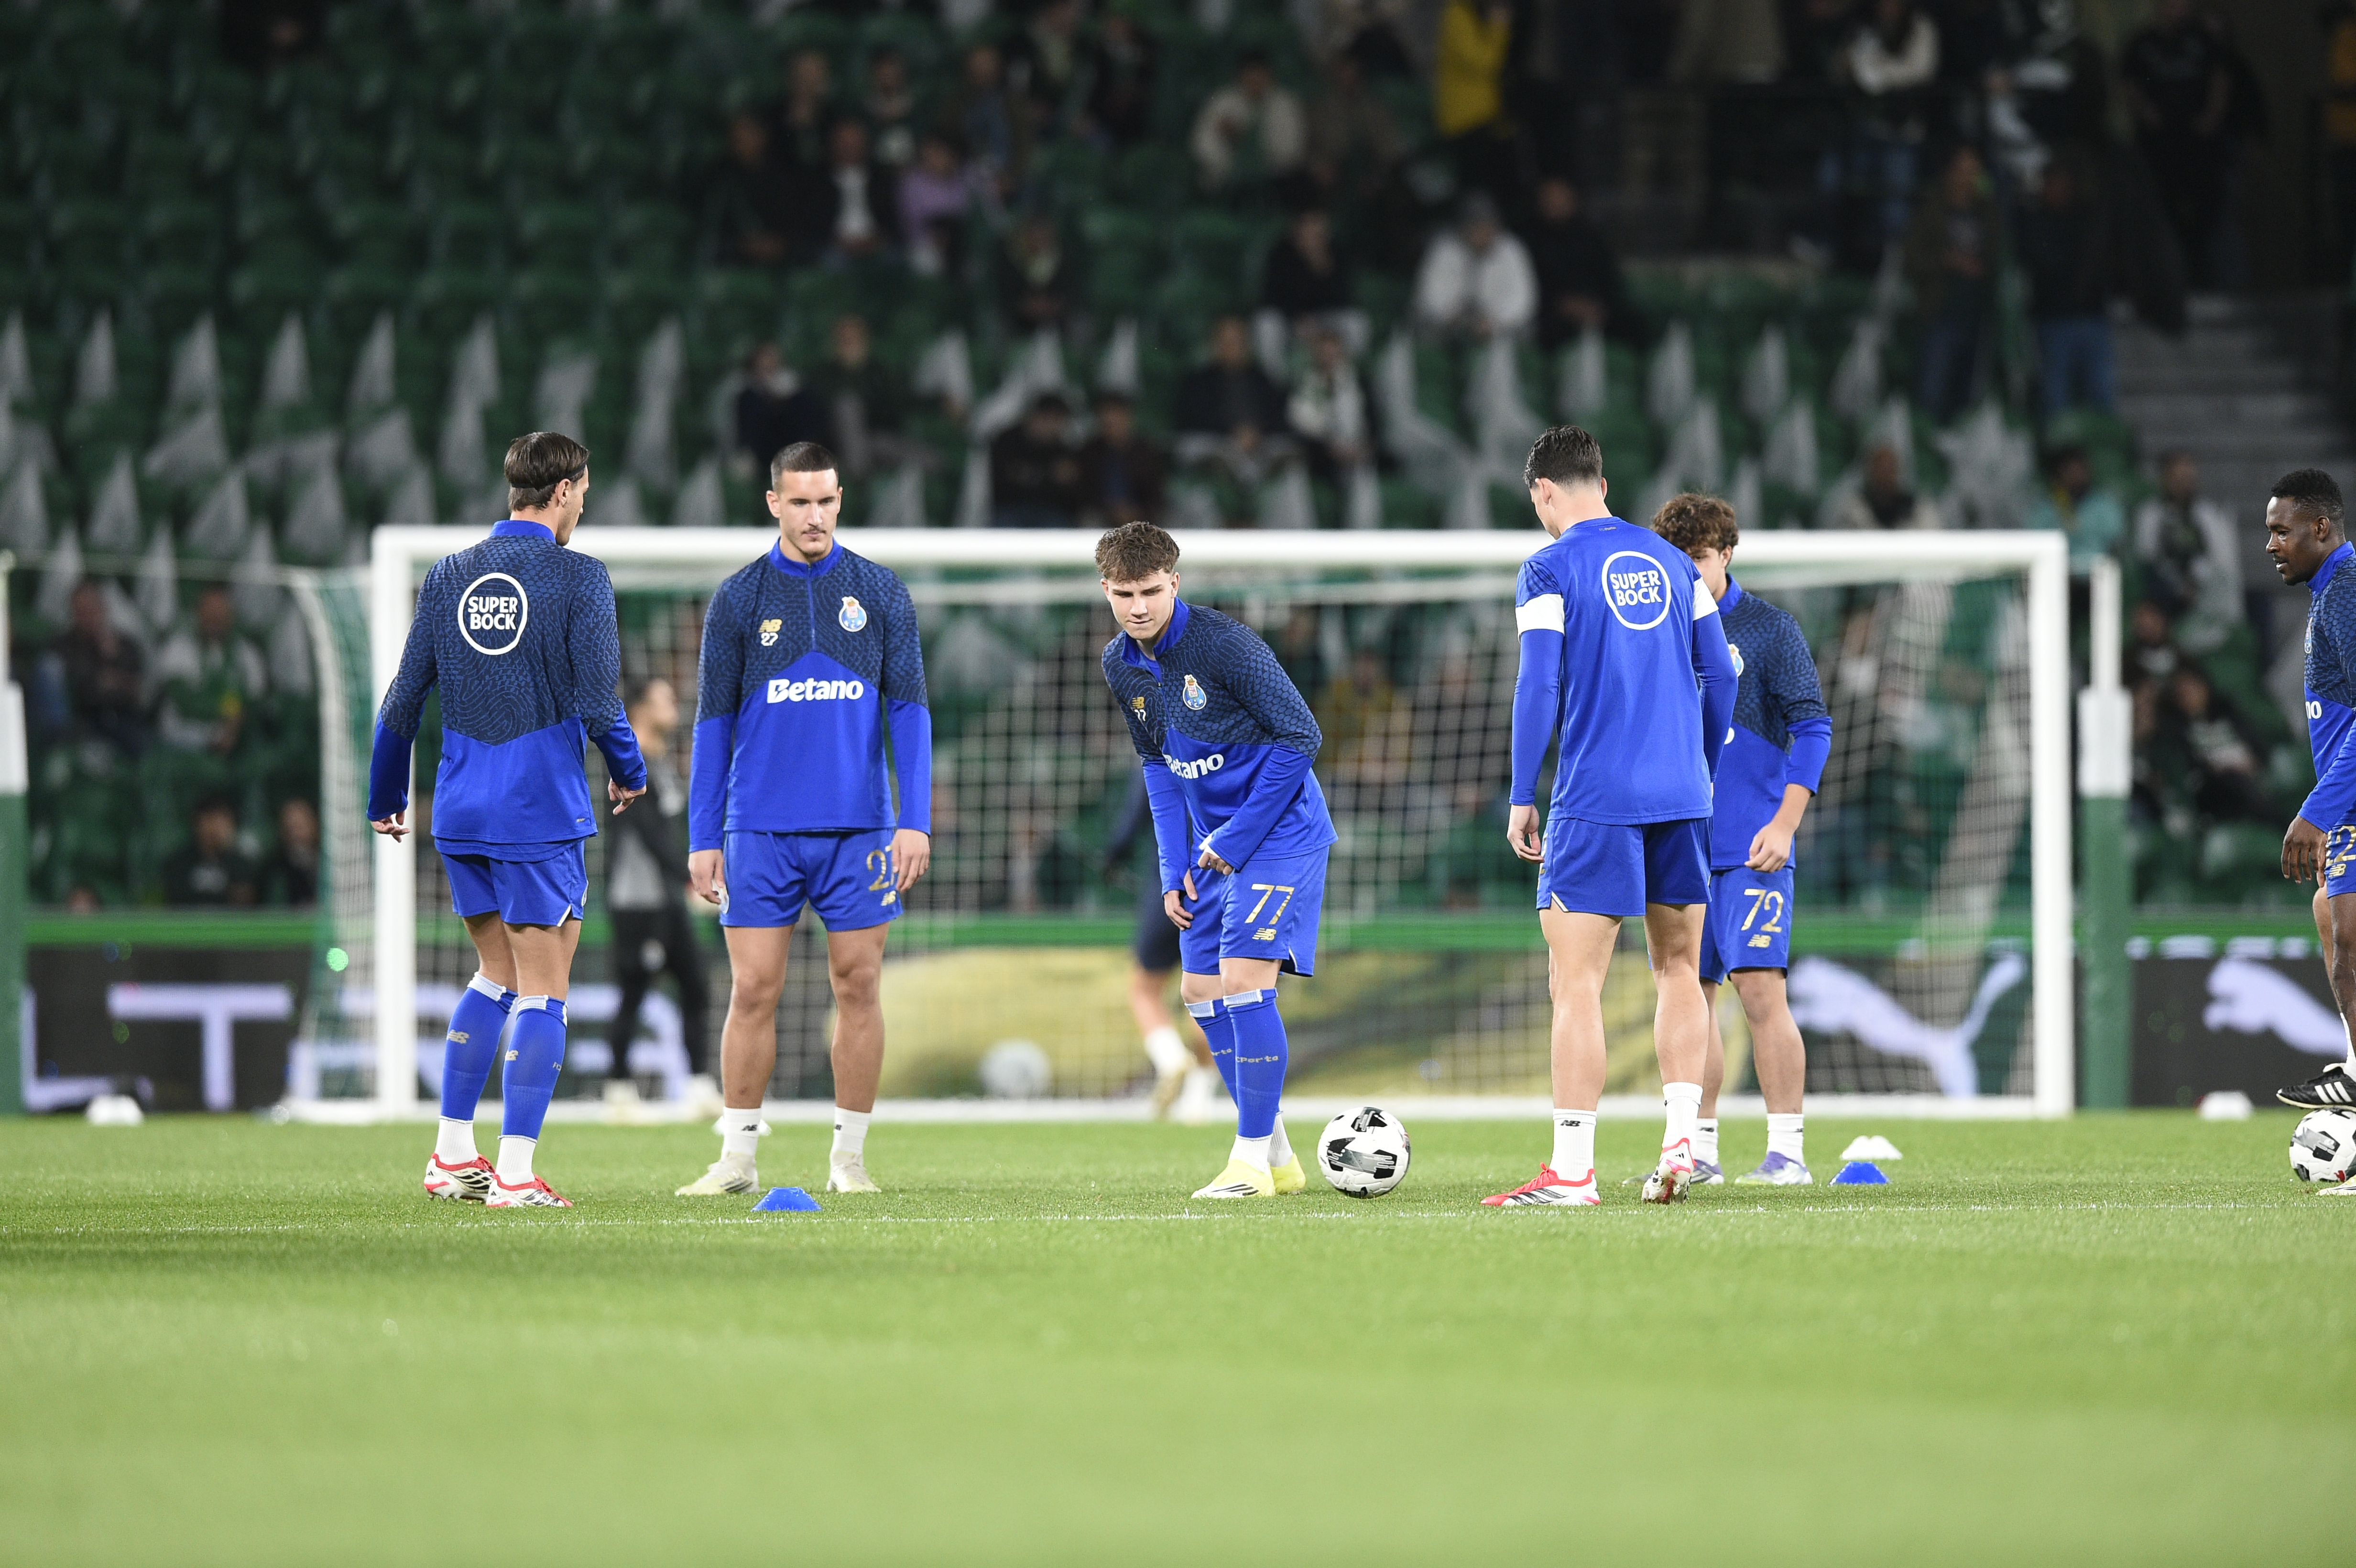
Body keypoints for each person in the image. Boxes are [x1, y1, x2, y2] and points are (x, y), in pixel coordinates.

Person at [371, 431, 649, 1209]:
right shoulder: (579, 577)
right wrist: (631, 770)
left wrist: (384, 794)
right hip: (536, 808)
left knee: (495, 974)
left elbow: (403, 699)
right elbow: (596, 700)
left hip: (461, 807)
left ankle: (452, 1155)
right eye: (582, 492)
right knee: (544, 989)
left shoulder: (449, 574)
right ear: (561, 492)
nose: (583, 505)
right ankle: (518, 1174)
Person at [1485, 426, 1736, 1207]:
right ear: (1601, 483)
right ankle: (1682, 1143)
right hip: (1681, 796)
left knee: (1577, 982)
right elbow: (1721, 675)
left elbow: (1538, 686)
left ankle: (1572, 1170)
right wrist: (1700, 768)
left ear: (1544, 492)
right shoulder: (1674, 562)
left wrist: (1521, 792)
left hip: (1597, 798)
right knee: (1680, 969)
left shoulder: (1549, 567)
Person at [674, 442, 933, 1198]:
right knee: (754, 989)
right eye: (799, 502)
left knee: (859, 984)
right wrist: (703, 836)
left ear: (840, 500)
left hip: (860, 831)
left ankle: (849, 1160)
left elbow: (910, 713)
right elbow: (712, 725)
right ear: (774, 504)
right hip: (759, 829)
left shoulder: (879, 592)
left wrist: (914, 820)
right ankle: (737, 1159)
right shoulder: (739, 598)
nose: (814, 515)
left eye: (825, 500)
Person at [1096, 520, 1335, 1198]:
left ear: (1174, 583)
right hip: (1210, 847)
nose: (1137, 607)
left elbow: (1302, 736)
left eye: (1150, 591)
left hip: (1279, 834)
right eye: (1123, 594)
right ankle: (1280, 1159)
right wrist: (1173, 868)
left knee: (1242, 978)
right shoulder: (1119, 663)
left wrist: (1233, 840)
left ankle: (1248, 1161)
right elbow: (1158, 766)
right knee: (1198, 991)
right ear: (1106, 591)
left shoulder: (1225, 644)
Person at [1650, 493, 1831, 1186]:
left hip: (1753, 846)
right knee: (1691, 1000)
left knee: (1760, 992)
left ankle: (1787, 1153)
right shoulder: (1656, 630)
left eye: (1698, 558)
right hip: (1681, 843)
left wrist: (1785, 823)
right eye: (1676, 560)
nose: (1688, 572)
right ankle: (1700, 1151)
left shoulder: (1768, 629)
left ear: (1726, 554)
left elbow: (1812, 726)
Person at [2266, 468, 2356, 1149]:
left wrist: (2320, 809)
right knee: (2332, 915)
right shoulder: (2332, 592)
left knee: (2345, 929)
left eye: (2281, 530)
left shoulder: (2346, 591)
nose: (2271, 544)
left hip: (2347, 799)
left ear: (2319, 528)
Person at [602, 676, 714, 1114]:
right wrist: (689, 877)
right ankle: (618, 1091)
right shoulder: (625, 763)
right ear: (642, 710)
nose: (674, 706)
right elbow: (646, 833)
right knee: (634, 991)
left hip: (666, 896)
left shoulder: (661, 764)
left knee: (695, 984)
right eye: (664, 699)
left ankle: (700, 1086)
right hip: (637, 900)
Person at [1104, 771, 1220, 1122]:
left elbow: (1135, 817)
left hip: (1168, 890)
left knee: (1145, 989)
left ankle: (1171, 1059)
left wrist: (1114, 856)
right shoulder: (1232, 757)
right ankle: (1199, 1098)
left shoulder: (1159, 759)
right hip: (1216, 885)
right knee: (1207, 996)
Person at [1904, 144, 2002, 424]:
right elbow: (1912, 259)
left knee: (1967, 398)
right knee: (1932, 392)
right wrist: (1947, 260)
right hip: (1940, 314)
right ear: (1949, 173)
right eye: (1962, 170)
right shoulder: (1931, 210)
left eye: (1973, 172)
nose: (1967, 178)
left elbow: (1997, 258)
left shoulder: (1988, 213)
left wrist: (1982, 266)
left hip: (1976, 317)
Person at [2018, 156, 2115, 417]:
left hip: (2091, 317)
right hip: (2054, 320)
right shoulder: (2035, 222)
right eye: (2052, 184)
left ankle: (2102, 441)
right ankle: (2058, 443)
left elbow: (2097, 262)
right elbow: (2038, 261)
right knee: (2056, 394)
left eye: (2063, 184)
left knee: (2100, 390)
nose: (2058, 190)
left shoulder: (2087, 219)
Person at [2132, 450, 2241, 654]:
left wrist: (2197, 582)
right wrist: (2179, 586)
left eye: (2189, 478)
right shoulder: (2150, 514)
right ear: (2165, 479)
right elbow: (2147, 559)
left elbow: (2222, 564)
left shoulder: (2209, 516)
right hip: (2165, 595)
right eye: (2178, 478)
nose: (2184, 484)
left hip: (2204, 591)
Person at [1173, 316, 1289, 491]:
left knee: (1288, 454)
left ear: (1247, 345)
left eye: (1236, 341)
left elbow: (1279, 415)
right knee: (1191, 448)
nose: (1231, 347)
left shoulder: (1261, 379)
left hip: (1259, 445)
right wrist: (1232, 432)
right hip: (1217, 444)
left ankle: (1251, 487)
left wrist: (1256, 433)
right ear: (1215, 345)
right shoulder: (1198, 380)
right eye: (1225, 341)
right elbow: (1190, 418)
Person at [151, 584, 267, 757]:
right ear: (198, 614)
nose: (215, 621)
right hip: (184, 734)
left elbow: (252, 699)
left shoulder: (246, 653)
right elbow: (186, 702)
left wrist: (233, 726)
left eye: (221, 615)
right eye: (210, 614)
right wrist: (230, 713)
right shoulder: (179, 647)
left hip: (234, 737)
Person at [1526, 176, 1634, 349]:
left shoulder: (1592, 239)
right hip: (1553, 313)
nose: (1556, 203)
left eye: (1561, 197)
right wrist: (1565, 306)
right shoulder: (1530, 243)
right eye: (1550, 198)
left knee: (1631, 324)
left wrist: (1596, 307)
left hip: (1596, 310)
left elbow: (1610, 281)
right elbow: (1530, 288)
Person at [1412, 192, 1537, 340]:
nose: (1482, 233)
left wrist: (1494, 322)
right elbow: (1429, 296)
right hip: (1446, 330)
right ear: (1464, 228)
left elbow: (1523, 300)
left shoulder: (1512, 250)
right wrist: (1452, 317)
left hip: (1498, 330)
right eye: (1476, 227)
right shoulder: (1445, 248)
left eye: (1488, 226)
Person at [1189, 50, 1306, 191]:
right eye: (1250, 77)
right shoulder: (1222, 101)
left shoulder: (1286, 103)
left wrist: (1250, 141)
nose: (1255, 83)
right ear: (1240, 77)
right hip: (1226, 178)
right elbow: (1201, 145)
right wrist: (1228, 141)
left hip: (1275, 178)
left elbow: (1292, 150)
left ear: (1270, 76)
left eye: (1260, 77)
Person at [1434, 0, 1513, 198]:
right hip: (1466, 122)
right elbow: (1484, 63)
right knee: (1479, 192)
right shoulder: (1458, 13)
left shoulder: (1473, 11)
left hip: (1485, 117)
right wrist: (1499, 27)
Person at [55, 579, 144, 756]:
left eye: (93, 609)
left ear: (103, 609)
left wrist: (111, 657)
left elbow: (136, 688)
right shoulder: (64, 646)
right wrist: (108, 680)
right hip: (84, 722)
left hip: (125, 719)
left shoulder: (125, 645)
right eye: (82, 611)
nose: (89, 616)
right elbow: (81, 688)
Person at [732, 342, 830, 482]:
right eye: (764, 359)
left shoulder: (797, 387)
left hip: (791, 442)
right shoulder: (745, 393)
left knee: (804, 400)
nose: (768, 363)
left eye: (772, 358)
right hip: (762, 447)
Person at [710, 112, 794, 267]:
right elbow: (713, 227)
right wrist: (743, 245)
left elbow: (791, 221)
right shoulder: (720, 177)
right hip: (733, 258)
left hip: (779, 257)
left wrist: (777, 243)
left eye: (748, 134)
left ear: (762, 137)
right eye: (737, 137)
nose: (741, 141)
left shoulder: (781, 176)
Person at [990, 392, 1085, 528]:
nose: (1054, 426)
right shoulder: (1008, 442)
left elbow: (1069, 490)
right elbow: (1006, 482)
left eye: (1059, 421)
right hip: (1012, 509)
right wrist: (1048, 476)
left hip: (1050, 512)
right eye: (1050, 419)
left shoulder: (1063, 449)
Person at [1076, 392, 1167, 530]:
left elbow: (1156, 492)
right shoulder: (1089, 453)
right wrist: (1111, 510)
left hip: (1143, 515)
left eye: (1117, 417)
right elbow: (1084, 492)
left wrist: (1137, 512)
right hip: (1102, 514)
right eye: (1107, 420)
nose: (1112, 423)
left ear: (1128, 418)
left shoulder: (1147, 452)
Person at [2027, 443, 2124, 566]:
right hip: (2055, 572)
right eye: (2070, 471)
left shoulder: (2104, 505)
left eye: (2079, 470)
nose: (2076, 476)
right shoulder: (2046, 509)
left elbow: (2115, 542)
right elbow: (2034, 543)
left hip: (2096, 572)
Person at [164, 795, 260, 907]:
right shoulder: (178, 864)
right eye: (209, 820)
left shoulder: (242, 866)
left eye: (221, 822)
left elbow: (244, 904)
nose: (215, 829)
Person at [1260, 207, 1351, 323]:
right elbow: (1273, 296)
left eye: (1317, 228)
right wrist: (1299, 318)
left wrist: (1321, 266)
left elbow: (1343, 299)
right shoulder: (1281, 255)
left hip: (1325, 318)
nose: (1312, 233)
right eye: (1308, 227)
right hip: (1289, 318)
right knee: (1266, 320)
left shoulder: (1337, 255)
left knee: (1356, 321)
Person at [1824, 442, 1942, 530]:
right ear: (1868, 472)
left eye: (1890, 469)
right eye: (1880, 469)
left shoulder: (1920, 509)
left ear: (1899, 472)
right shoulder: (1852, 509)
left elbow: (1934, 543)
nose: (1885, 476)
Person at [261, 795, 318, 906]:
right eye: (290, 828)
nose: (295, 834)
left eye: (300, 827)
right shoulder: (274, 869)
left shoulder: (328, 865)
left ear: (314, 825)